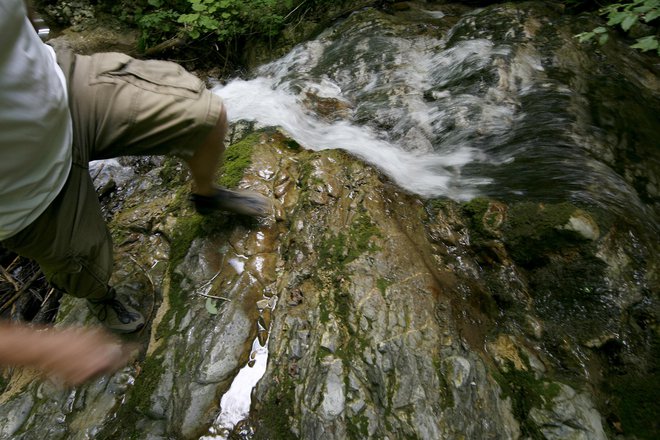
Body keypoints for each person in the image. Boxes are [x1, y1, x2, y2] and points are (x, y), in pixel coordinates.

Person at [0, 0, 271, 381]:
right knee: (87, 268)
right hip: (25, 194)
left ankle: (207, 195)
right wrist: (43, 348)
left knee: (204, 115)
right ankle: (101, 298)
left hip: (62, 89)